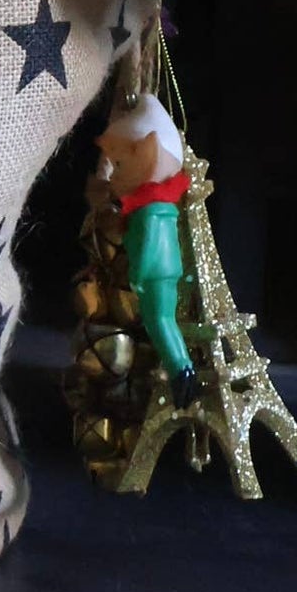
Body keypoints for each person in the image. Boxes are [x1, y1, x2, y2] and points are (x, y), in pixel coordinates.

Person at [94, 92, 201, 408]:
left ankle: (182, 371)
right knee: (161, 319)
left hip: (156, 274)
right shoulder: (158, 206)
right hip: (164, 273)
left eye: (120, 163)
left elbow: (151, 246)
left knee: (160, 320)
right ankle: (180, 368)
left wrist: (138, 274)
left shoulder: (151, 210)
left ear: (149, 152)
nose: (113, 174)